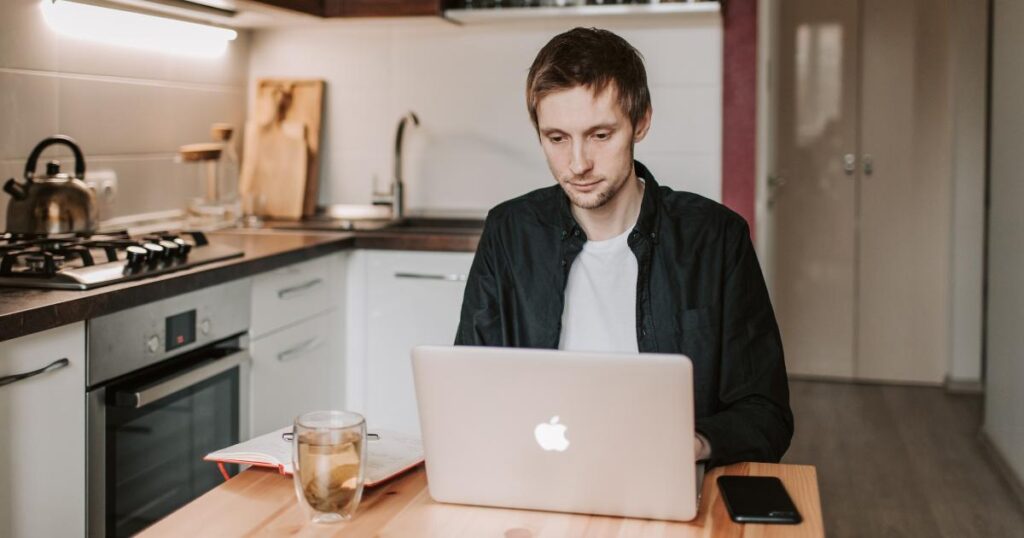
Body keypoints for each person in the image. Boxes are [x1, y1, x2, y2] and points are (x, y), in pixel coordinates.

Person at [454, 27, 793, 468]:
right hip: (536, 474)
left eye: (600, 135)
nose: (578, 164)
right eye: (557, 139)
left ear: (642, 121)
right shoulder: (508, 232)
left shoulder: (716, 238)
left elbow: (766, 415)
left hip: (664, 479)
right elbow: (467, 390)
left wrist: (690, 445)